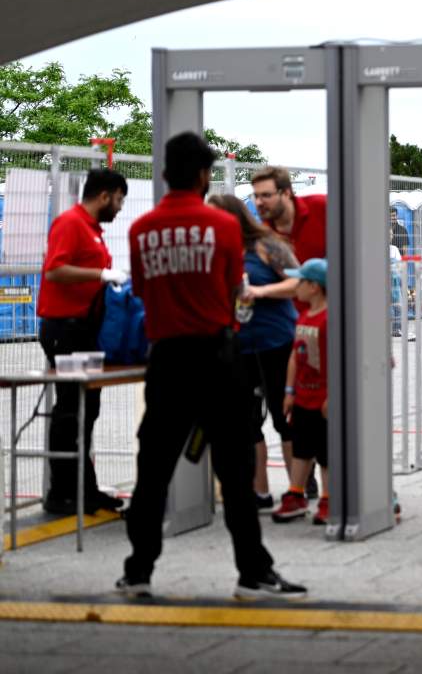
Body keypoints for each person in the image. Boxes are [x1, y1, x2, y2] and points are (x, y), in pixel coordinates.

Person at [118, 131, 305, 600]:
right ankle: (253, 572)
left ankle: (138, 571)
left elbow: (142, 291)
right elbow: (231, 292)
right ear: (204, 175)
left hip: (166, 359)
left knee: (153, 468)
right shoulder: (222, 228)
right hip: (218, 358)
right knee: (235, 471)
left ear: (164, 174)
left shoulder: (141, 230)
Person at [37, 168, 129, 515]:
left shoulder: (92, 231)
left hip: (85, 330)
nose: (119, 207)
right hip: (65, 330)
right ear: (104, 195)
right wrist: (100, 274)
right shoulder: (71, 223)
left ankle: (84, 488)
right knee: (71, 410)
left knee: (86, 410)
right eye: (118, 200)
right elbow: (55, 270)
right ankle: (62, 492)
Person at [207, 194, 300, 512]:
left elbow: (299, 283)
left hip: (276, 343)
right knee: (245, 421)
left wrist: (260, 291)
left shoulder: (265, 245)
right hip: (239, 346)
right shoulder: (216, 251)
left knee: (284, 417)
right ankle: (258, 491)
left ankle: (296, 489)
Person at [251, 165, 324, 499]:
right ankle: (301, 483)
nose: (260, 202)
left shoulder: (322, 209)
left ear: (286, 192)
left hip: (328, 329)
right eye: (256, 196)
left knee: (327, 410)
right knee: (291, 408)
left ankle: (337, 484)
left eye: (266, 195)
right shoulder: (265, 236)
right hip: (290, 333)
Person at [273, 259, 331, 525]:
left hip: (322, 399)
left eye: (300, 282)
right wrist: (289, 391)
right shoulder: (304, 316)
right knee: (301, 448)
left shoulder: (329, 319)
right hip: (303, 398)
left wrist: (332, 395)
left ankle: (330, 498)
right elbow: (295, 357)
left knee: (325, 451)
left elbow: (335, 360)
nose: (295, 287)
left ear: (315, 287)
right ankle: (295, 493)